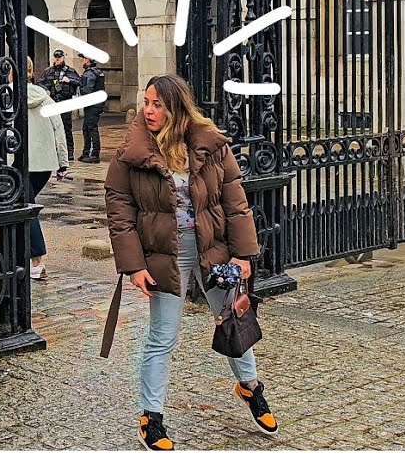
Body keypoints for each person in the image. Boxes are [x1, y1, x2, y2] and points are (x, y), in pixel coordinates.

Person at [104, 74, 277, 451]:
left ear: (176, 107)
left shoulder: (210, 145)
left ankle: (250, 388)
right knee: (161, 338)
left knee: (234, 319)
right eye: (146, 103)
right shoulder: (130, 153)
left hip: (213, 248)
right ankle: (151, 418)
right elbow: (120, 214)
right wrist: (134, 267)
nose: (148, 111)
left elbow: (235, 203)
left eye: (157, 104)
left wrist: (243, 254)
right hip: (166, 254)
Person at [24, 58, 70, 281]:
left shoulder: (4, 95)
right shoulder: (46, 99)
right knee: (24, 206)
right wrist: (63, 163)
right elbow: (59, 132)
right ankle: (22, 255)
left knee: (27, 206)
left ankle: (37, 261)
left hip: (18, 163)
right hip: (44, 165)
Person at [37, 49, 80, 161]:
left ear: (63, 58)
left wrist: (69, 80)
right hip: (52, 103)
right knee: (51, 129)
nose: (57, 59)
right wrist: (46, 89)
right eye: (55, 57)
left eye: (59, 57)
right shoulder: (48, 71)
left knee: (66, 128)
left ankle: (69, 152)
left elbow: (79, 82)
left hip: (65, 103)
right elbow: (40, 83)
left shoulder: (70, 71)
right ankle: (53, 151)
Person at [78, 53, 106, 163]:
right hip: (97, 104)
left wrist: (79, 86)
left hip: (92, 105)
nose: (82, 61)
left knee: (91, 129)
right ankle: (86, 152)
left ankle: (95, 154)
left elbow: (87, 90)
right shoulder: (98, 72)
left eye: (83, 59)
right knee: (87, 128)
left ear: (88, 60)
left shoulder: (89, 74)